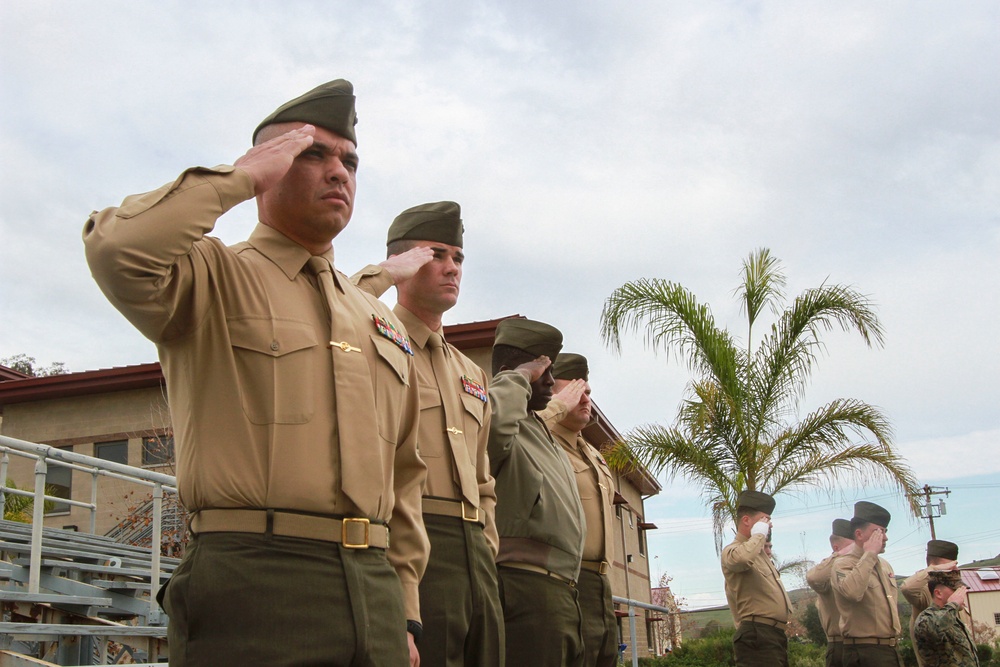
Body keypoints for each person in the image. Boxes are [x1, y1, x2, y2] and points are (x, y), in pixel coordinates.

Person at [84, 79, 428, 666]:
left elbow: (403, 478)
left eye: (349, 160)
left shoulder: (376, 319)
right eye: (311, 153)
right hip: (255, 578)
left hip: (372, 588)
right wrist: (238, 178)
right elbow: (117, 249)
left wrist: (405, 608)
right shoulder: (214, 276)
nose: (338, 171)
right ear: (271, 164)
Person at [352, 201, 504, 667]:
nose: (451, 267)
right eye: (435, 254)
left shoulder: (469, 371)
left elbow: (483, 482)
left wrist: (487, 543)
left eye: (458, 258)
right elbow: (331, 307)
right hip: (417, 542)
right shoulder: (372, 338)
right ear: (404, 262)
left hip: (475, 552)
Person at [488, 319, 586, 667]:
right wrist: (515, 379)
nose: (549, 382)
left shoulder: (538, 429)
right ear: (508, 373)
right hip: (524, 587)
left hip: (561, 590)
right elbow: (491, 431)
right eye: (540, 371)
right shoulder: (499, 416)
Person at [538, 353, 618, 667]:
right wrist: (552, 409)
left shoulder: (593, 454)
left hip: (601, 584)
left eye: (587, 393)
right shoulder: (539, 441)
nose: (585, 400)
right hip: (563, 581)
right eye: (574, 391)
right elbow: (510, 429)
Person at [721, 490, 793, 667]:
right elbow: (742, 559)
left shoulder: (760, 555)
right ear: (746, 520)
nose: (769, 525)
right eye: (764, 519)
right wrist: (759, 534)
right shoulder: (733, 550)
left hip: (772, 635)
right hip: (757, 634)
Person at [831, 501, 902, 667]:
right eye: (878, 532)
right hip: (863, 651)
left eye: (885, 532)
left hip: (889, 649)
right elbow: (853, 592)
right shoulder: (843, 564)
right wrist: (869, 554)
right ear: (859, 534)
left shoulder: (884, 565)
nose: (884, 538)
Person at [901, 540, 963, 667]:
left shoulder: (955, 592)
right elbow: (907, 588)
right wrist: (933, 570)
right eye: (947, 567)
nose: (952, 570)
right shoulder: (926, 593)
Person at [806, 519, 855, 667]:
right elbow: (814, 578)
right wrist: (840, 555)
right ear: (836, 547)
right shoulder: (828, 570)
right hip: (841, 645)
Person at [913, 571, 979, 667]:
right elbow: (936, 629)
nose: (961, 595)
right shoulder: (926, 618)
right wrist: (954, 604)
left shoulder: (952, 617)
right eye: (957, 591)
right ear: (938, 593)